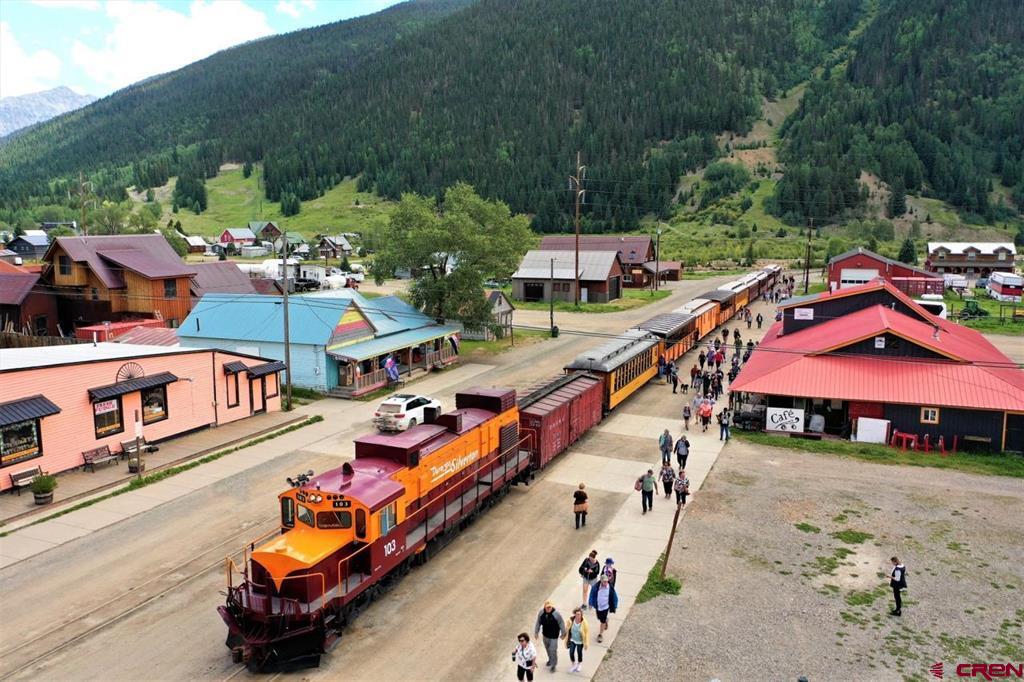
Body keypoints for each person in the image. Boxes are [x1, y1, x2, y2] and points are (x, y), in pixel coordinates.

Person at [534, 601, 566, 672]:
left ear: (552, 606)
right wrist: (536, 632)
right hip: (545, 635)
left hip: (554, 636)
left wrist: (563, 634)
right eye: (547, 607)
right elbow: (538, 622)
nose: (548, 608)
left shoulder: (556, 614)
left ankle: (553, 665)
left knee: (553, 650)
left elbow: (561, 623)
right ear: (544, 607)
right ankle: (550, 660)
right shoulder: (541, 613)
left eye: (550, 607)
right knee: (548, 649)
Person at [588, 574, 618, 644]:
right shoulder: (596, 587)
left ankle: (600, 634)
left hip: (605, 607)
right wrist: (590, 603)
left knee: (602, 621)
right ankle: (606, 620)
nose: (606, 583)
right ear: (601, 581)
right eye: (604, 581)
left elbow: (615, 597)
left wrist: (615, 606)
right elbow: (591, 594)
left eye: (606, 581)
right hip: (598, 607)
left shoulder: (610, 588)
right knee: (599, 617)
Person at [564, 607, 589, 673]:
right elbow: (567, 628)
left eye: (579, 614)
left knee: (579, 652)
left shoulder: (584, 623)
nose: (578, 615)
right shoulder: (571, 620)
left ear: (581, 614)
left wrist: (586, 643)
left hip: (580, 641)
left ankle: (579, 664)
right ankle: (573, 664)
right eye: (577, 614)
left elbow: (586, 633)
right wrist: (564, 635)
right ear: (574, 614)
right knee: (571, 652)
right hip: (572, 640)